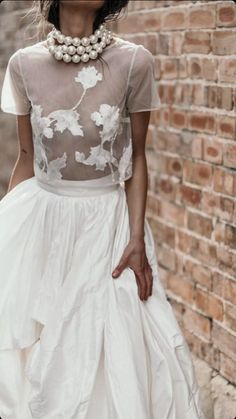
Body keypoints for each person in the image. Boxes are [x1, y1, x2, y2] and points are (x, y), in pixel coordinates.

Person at [0, 0, 206, 418]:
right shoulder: (23, 65)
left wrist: (135, 239)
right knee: (35, 343)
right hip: (43, 219)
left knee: (111, 341)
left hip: (108, 225)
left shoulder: (135, 62)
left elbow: (138, 159)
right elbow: (26, 156)